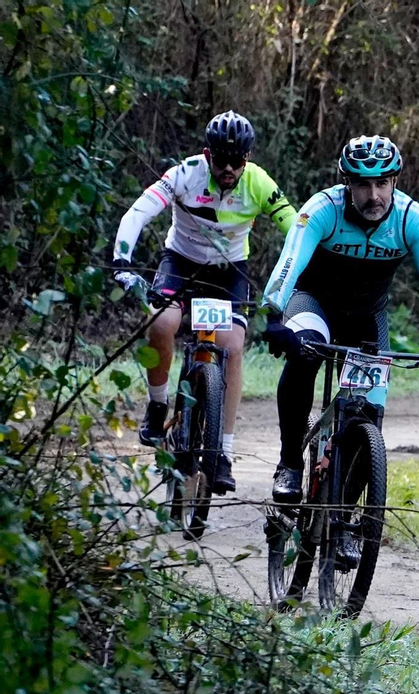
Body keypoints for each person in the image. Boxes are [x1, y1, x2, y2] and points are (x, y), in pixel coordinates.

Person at [259, 135, 419, 505]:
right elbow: (289, 262)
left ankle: (347, 516)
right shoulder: (323, 209)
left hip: (366, 316)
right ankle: (290, 463)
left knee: (370, 414)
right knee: (304, 354)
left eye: (382, 184)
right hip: (313, 303)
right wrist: (274, 314)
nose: (373, 195)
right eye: (362, 184)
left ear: (395, 182)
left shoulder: (412, 219)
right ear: (347, 184)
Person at [111, 110, 295, 494]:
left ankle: (223, 452)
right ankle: (158, 403)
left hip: (229, 271)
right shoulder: (185, 173)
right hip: (180, 262)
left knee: (232, 346)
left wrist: (296, 279)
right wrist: (122, 262)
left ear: (247, 158)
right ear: (206, 153)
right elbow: (139, 212)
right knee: (160, 322)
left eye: (237, 160)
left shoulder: (259, 182)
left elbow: (296, 231)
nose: (228, 168)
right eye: (221, 158)